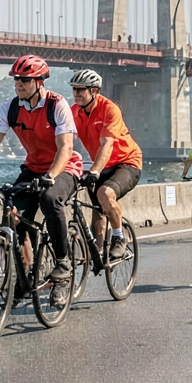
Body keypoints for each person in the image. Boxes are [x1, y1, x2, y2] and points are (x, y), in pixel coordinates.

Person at [0, 54, 82, 306]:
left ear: (40, 82)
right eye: (17, 79)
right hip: (33, 168)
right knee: (12, 215)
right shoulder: (10, 108)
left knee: (51, 200)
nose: (19, 84)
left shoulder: (56, 105)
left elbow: (65, 148)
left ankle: (62, 267)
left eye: (25, 80)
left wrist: (50, 176)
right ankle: (26, 276)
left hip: (64, 168)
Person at [68, 68, 142, 260]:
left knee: (105, 194)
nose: (76, 94)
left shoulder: (109, 109)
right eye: (74, 89)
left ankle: (119, 239)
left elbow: (107, 144)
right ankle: (96, 255)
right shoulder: (74, 112)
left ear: (95, 91)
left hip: (127, 162)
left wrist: (94, 171)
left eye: (81, 90)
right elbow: (63, 140)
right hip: (101, 166)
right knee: (97, 212)